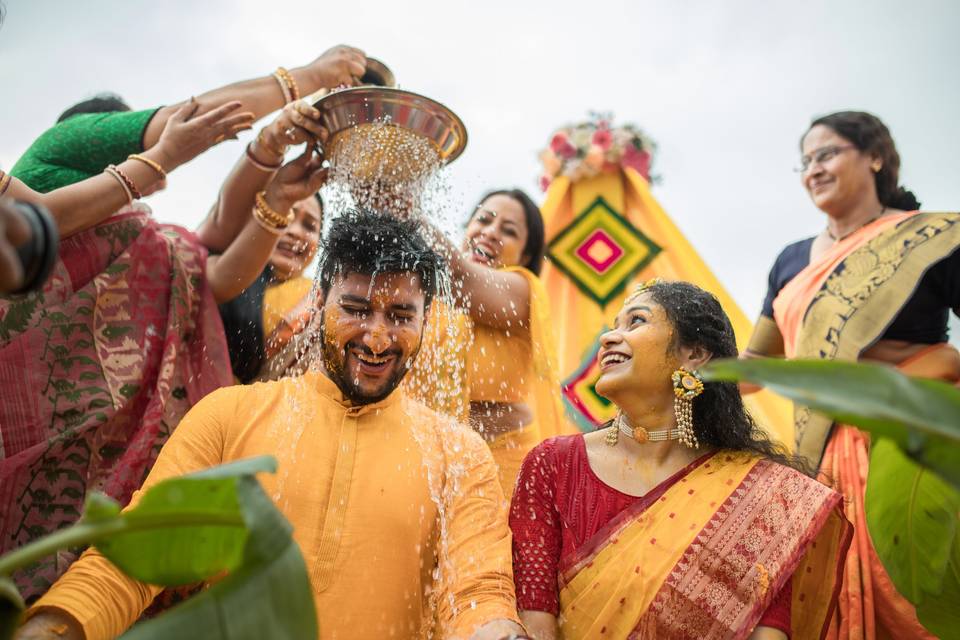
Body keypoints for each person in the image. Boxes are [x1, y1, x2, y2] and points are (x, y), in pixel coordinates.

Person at [15, 210, 525, 640]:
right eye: (355, 308)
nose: (376, 337)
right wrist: (56, 627)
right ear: (319, 299)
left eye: (400, 315)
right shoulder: (229, 414)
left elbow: (478, 591)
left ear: (426, 318)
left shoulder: (460, 451)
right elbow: (134, 557)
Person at [0, 60, 338, 597]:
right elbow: (187, 125)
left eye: (309, 225)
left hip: (97, 454)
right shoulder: (68, 155)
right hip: (29, 429)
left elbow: (210, 263)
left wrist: (275, 194)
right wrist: (310, 77)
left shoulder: (143, 235)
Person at [511, 280, 852, 640]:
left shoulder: (758, 494)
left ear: (694, 354)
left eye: (636, 321)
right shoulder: (552, 465)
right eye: (613, 326)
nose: (608, 338)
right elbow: (534, 620)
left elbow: (767, 634)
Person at [743, 111, 960, 639]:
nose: (813, 169)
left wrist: (931, 370)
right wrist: (683, 378)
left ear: (875, 157)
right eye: (806, 160)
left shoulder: (933, 238)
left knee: (919, 595)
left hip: (910, 447)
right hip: (820, 463)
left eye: (828, 153)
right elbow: (756, 368)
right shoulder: (791, 261)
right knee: (827, 601)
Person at [410, 189, 572, 497]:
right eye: (483, 220)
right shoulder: (426, 297)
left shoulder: (522, 290)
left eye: (509, 231)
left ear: (525, 255)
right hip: (428, 457)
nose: (491, 233)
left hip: (503, 462)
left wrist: (405, 205)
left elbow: (458, 277)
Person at [218, 193, 322, 382]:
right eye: (286, 215)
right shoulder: (220, 282)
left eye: (309, 226)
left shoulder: (323, 301)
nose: (296, 232)